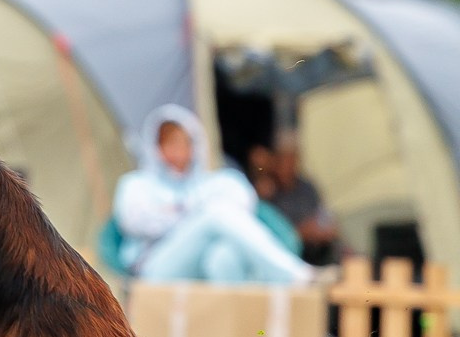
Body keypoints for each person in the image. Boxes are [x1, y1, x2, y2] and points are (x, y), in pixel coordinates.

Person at [114, 104, 315, 285]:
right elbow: (134, 221)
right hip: (155, 267)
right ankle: (292, 275)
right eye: (170, 144)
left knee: (223, 256)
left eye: (184, 143)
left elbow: (244, 203)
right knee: (215, 213)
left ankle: (240, 313)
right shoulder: (136, 184)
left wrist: (182, 213)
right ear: (155, 147)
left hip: (201, 261)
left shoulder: (213, 181)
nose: (178, 151)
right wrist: (196, 216)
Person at [252, 131, 342, 267]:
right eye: (284, 160)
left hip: (317, 251)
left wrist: (325, 230)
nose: (289, 166)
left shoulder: (306, 187)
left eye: (292, 160)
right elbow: (266, 234)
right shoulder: (266, 192)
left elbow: (325, 217)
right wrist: (300, 232)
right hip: (287, 256)